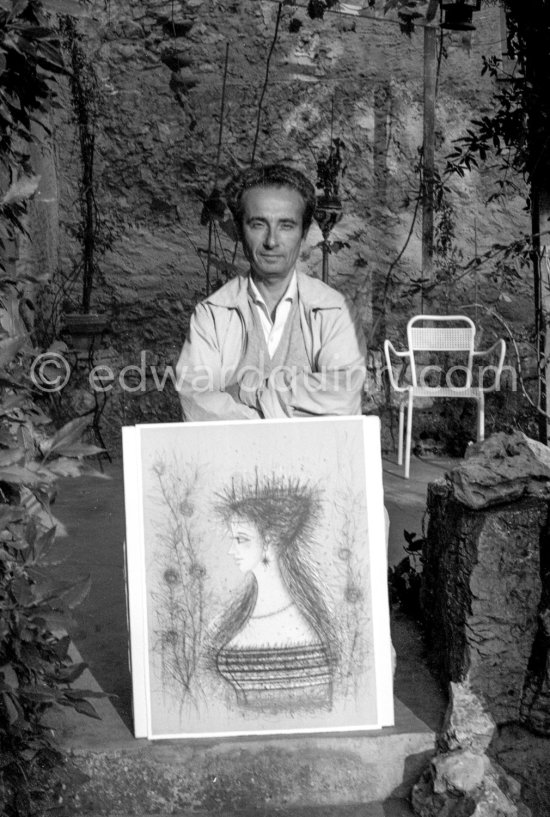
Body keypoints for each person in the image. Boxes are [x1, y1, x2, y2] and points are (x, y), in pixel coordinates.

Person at [175, 163, 367, 420]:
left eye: (286, 225)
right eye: (258, 224)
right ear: (240, 231)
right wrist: (298, 403)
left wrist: (246, 392)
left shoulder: (334, 311)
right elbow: (196, 406)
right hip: (234, 458)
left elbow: (344, 399)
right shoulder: (212, 315)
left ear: (304, 233)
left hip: (316, 459)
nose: (271, 241)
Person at [209, 474, 338, 712]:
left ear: (268, 541)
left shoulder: (299, 623)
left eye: (241, 539)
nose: (231, 550)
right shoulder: (245, 610)